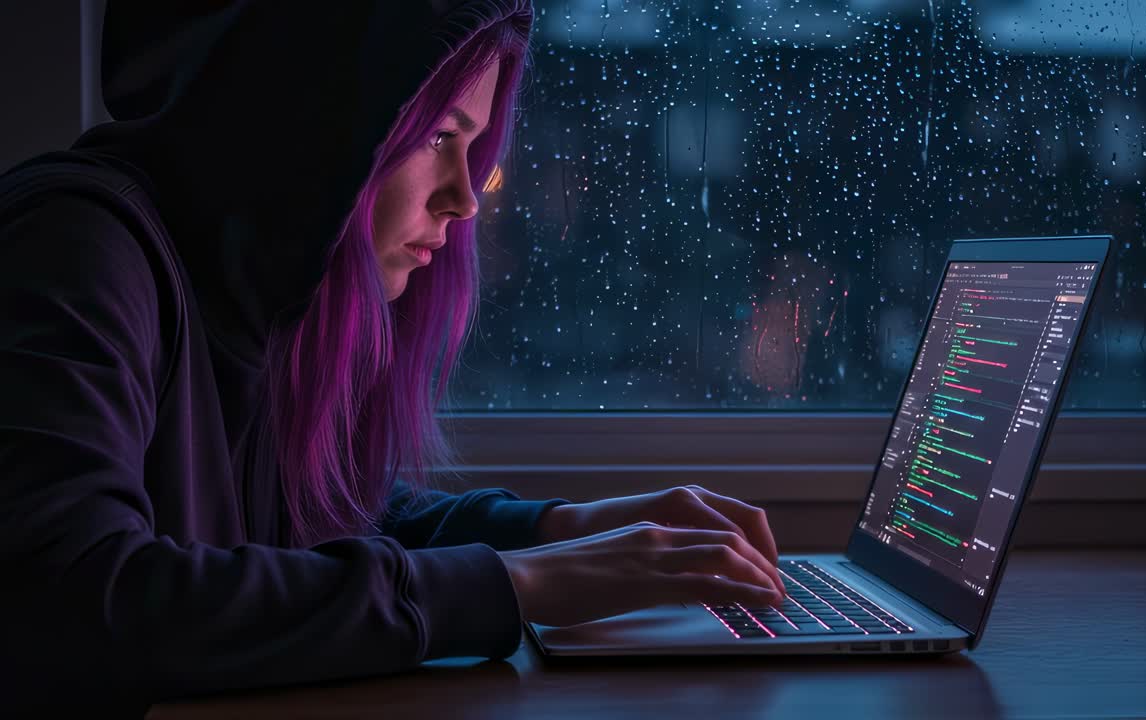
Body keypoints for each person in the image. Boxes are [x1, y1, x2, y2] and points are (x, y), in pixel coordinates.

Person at [0, 1, 785, 713]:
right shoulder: (78, 247)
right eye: (441, 136)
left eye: (471, 146)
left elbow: (317, 526)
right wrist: (525, 584)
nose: (465, 197)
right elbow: (74, 602)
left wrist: (559, 528)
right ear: (318, 109)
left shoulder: (246, 291)